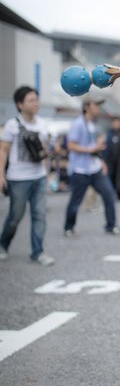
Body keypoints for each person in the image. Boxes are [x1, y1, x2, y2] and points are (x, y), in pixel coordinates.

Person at [0, 85, 54, 266]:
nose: (35, 103)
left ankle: (38, 252)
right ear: (19, 104)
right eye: (31, 100)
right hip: (18, 179)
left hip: (39, 177)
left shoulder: (43, 124)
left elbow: (45, 152)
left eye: (36, 100)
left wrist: (47, 175)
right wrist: (1, 175)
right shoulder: (11, 125)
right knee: (15, 217)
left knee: (40, 215)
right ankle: (3, 244)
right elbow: (3, 151)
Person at [63, 94, 120, 237]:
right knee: (75, 201)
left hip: (95, 168)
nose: (98, 108)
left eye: (99, 105)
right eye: (96, 105)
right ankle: (68, 227)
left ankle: (111, 226)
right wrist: (92, 149)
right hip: (80, 169)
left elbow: (95, 147)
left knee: (109, 195)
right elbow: (71, 145)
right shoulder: (78, 124)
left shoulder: (95, 124)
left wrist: (100, 159)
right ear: (86, 107)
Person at [104, 117, 120, 200]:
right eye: (115, 123)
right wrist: (105, 157)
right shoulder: (109, 133)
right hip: (110, 159)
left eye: (118, 122)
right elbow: (106, 146)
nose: (116, 124)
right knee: (111, 176)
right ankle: (111, 192)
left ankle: (119, 193)